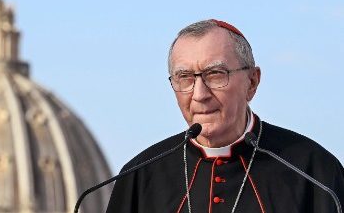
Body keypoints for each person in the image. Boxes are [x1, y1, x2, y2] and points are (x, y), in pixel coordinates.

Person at [106, 19, 344, 213]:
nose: (199, 94)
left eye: (215, 74)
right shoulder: (139, 176)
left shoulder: (314, 170)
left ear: (252, 82)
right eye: (185, 77)